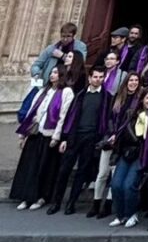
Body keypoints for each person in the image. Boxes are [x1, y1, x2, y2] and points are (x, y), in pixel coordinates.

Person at [12, 66, 74, 211]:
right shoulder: (43, 91)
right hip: (35, 132)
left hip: (49, 134)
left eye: (55, 73)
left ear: (62, 75)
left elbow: (63, 116)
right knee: (29, 166)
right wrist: (23, 134)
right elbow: (31, 112)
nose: (52, 75)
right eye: (51, 72)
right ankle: (26, 196)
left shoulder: (66, 92)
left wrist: (57, 136)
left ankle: (41, 197)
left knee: (45, 168)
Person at [46, 67, 106, 215]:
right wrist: (65, 138)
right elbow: (70, 117)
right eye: (95, 77)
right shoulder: (80, 95)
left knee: (81, 172)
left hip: (91, 138)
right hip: (75, 137)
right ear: (90, 78)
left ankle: (71, 203)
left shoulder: (106, 97)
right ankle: (57, 202)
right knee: (64, 170)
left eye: (101, 77)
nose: (98, 79)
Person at [109, 86, 148, 228]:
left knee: (129, 185)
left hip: (142, 155)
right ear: (142, 100)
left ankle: (131, 213)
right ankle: (120, 215)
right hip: (128, 152)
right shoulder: (132, 114)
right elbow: (123, 131)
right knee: (116, 184)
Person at [91, 71, 140, 219]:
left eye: (136, 80)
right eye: (130, 80)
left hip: (126, 142)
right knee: (102, 173)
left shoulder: (139, 100)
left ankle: (109, 205)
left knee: (115, 175)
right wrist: (112, 133)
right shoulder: (118, 98)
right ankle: (96, 202)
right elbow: (110, 118)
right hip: (112, 138)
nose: (133, 83)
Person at [30, 22, 87, 89]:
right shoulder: (51, 49)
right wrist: (36, 74)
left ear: (73, 36)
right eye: (63, 36)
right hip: (49, 84)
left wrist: (63, 56)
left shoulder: (80, 47)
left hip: (69, 84)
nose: (65, 39)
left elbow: (79, 63)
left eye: (68, 36)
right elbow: (36, 65)